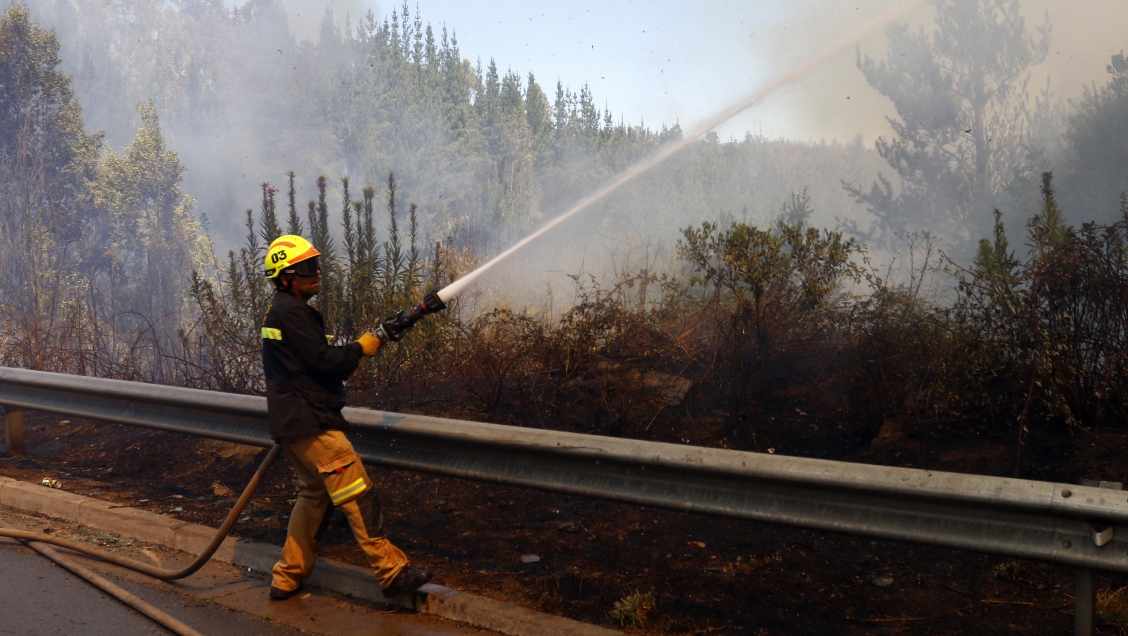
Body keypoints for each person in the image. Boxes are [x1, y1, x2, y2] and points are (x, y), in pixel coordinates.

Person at [260, 234, 432, 601]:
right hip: (312, 423)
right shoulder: (291, 311)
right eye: (307, 268)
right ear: (286, 276)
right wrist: (361, 348)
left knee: (312, 497)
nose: (317, 272)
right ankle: (392, 572)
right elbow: (324, 362)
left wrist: (366, 344)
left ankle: (287, 577)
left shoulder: (284, 310)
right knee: (357, 494)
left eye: (316, 264)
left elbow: (311, 363)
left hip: (295, 422)